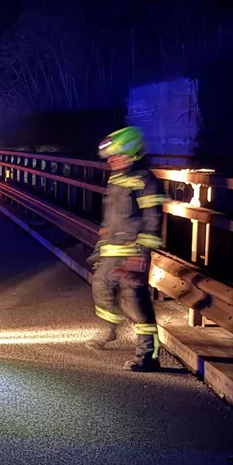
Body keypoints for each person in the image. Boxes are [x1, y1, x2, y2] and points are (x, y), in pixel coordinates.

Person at [87, 126, 167, 371]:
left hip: (133, 250)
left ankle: (148, 356)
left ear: (131, 153)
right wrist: (105, 235)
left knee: (135, 301)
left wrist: (141, 253)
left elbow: (153, 219)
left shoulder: (146, 180)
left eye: (116, 155)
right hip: (112, 248)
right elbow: (114, 214)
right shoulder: (117, 178)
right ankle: (110, 329)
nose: (111, 160)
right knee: (100, 285)